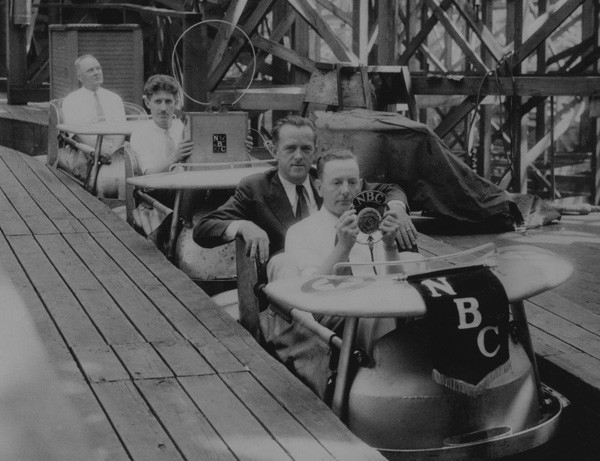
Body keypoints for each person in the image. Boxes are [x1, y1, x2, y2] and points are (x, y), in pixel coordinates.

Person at [276, 149, 423, 399]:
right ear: (319, 187)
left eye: (352, 182)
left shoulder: (374, 223)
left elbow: (397, 284)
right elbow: (312, 293)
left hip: (381, 310)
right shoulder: (301, 231)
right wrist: (342, 248)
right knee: (381, 318)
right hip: (332, 315)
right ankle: (389, 387)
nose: (346, 190)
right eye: (336, 183)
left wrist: (389, 246)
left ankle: (413, 379)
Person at [193, 115, 418, 268]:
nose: (299, 156)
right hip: (288, 282)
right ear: (274, 150)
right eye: (290, 148)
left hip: (339, 271)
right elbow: (204, 228)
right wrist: (244, 226)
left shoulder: (329, 181)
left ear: (315, 150)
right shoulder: (256, 188)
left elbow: (390, 189)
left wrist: (397, 208)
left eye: (306, 149)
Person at [129, 74, 194, 175]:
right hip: (157, 188)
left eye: (168, 102)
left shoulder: (183, 128)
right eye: (158, 102)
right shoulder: (141, 134)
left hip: (187, 185)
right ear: (147, 103)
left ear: (175, 102)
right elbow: (149, 175)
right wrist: (175, 157)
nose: (163, 108)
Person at [61, 54, 127, 155]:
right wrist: (102, 149)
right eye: (90, 70)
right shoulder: (71, 101)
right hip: (87, 151)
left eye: (98, 68)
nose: (96, 73)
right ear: (80, 77)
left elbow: (121, 128)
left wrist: (114, 151)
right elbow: (78, 134)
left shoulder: (114, 98)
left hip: (116, 149)